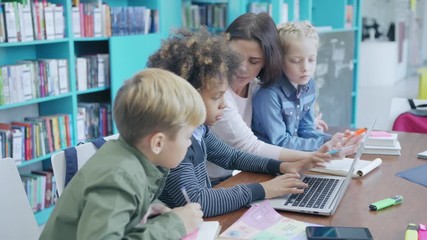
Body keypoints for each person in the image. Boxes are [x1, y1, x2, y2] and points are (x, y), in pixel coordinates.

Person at [147, 27, 353, 218]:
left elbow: (233, 157)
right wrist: (264, 190)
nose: (224, 105)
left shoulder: (199, 130)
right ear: (188, 95)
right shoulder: (176, 144)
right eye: (217, 97)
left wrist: (282, 166)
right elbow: (200, 201)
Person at [40, 68, 206, 239]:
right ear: (157, 143)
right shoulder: (118, 176)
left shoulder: (128, 156)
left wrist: (149, 206)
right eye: (187, 136)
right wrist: (175, 225)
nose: (190, 143)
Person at [208, 13, 346, 184]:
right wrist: (316, 156)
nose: (242, 68)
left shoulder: (256, 85)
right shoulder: (218, 93)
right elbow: (251, 146)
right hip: (210, 180)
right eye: (235, 57)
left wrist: (314, 136)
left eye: (254, 61)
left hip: (232, 174)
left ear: (267, 61)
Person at [252, 21, 332, 151]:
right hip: (268, 162)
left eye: (311, 60)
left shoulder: (309, 85)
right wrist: (323, 145)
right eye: (296, 61)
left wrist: (333, 140)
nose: (306, 68)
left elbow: (305, 129)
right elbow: (280, 142)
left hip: (293, 154)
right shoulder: (268, 94)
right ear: (279, 60)